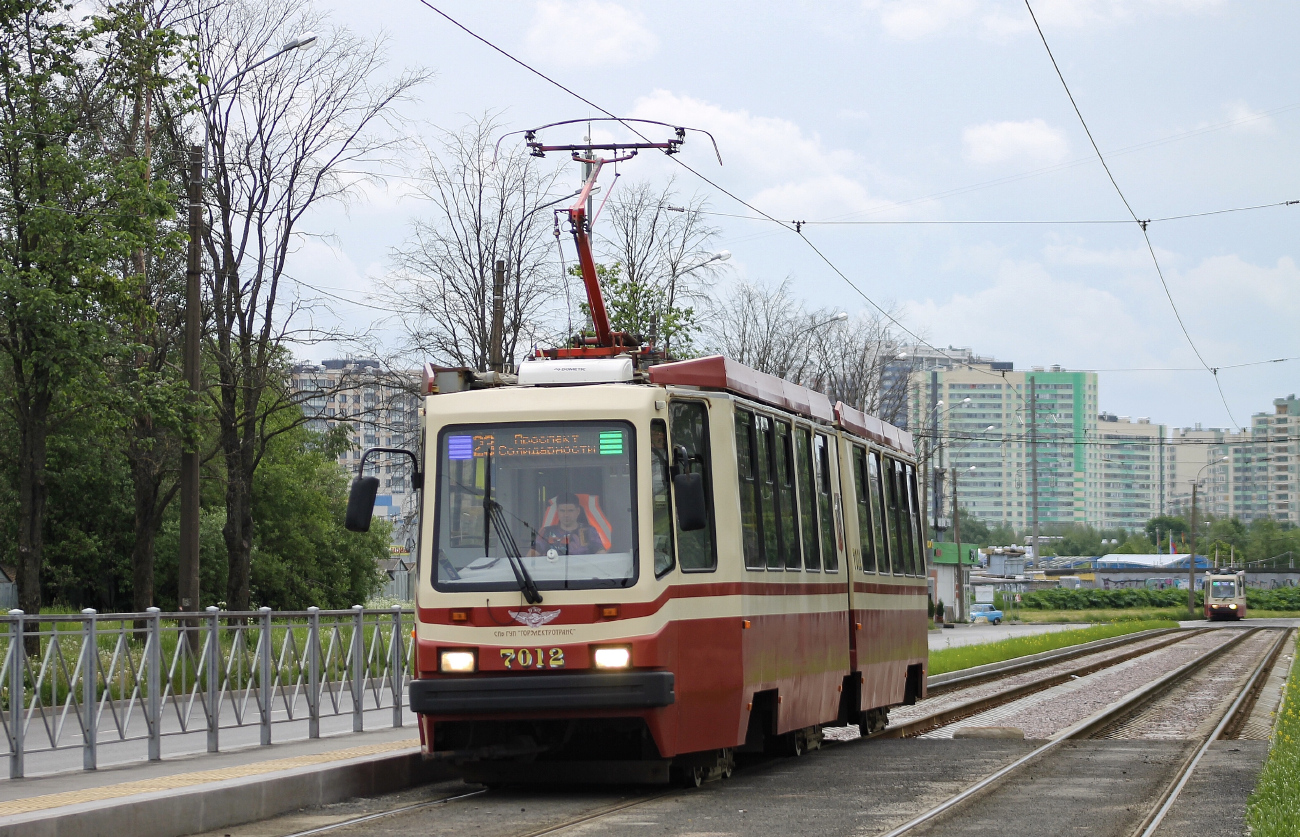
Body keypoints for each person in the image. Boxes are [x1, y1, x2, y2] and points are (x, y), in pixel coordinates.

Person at [532, 493, 607, 555]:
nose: (566, 514)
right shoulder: (546, 532)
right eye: (562, 511)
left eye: (570, 511)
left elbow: (601, 555)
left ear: (578, 511)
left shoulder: (588, 531)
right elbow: (531, 556)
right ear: (557, 511)